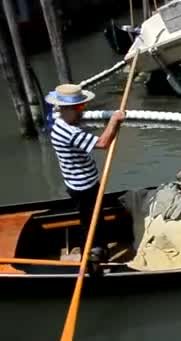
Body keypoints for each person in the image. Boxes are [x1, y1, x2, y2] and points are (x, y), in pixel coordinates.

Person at [47, 84, 125, 261]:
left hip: (75, 183)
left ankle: (99, 248)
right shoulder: (69, 131)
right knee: (92, 223)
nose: (83, 111)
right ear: (66, 109)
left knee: (92, 219)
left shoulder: (58, 123)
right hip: (84, 187)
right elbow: (103, 144)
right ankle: (92, 257)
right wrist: (114, 121)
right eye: (79, 107)